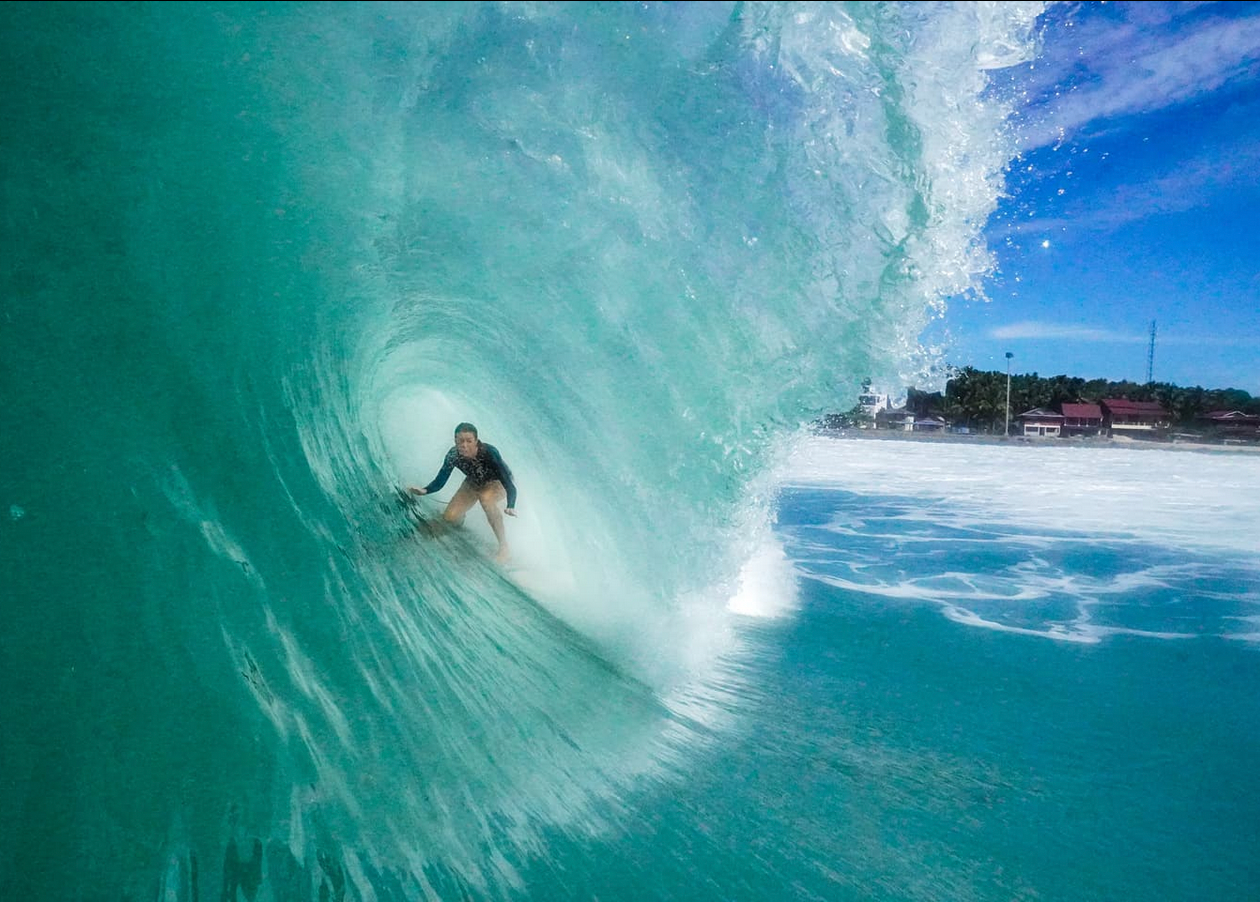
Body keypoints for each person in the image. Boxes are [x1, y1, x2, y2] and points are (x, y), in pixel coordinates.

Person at [409, 422, 517, 562]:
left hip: (497, 483)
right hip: (473, 483)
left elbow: (509, 484)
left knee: (486, 499)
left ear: (476, 441)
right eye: (460, 441)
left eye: (469, 441)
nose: (464, 445)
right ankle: (459, 521)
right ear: (455, 441)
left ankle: (504, 547)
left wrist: (511, 505)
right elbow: (440, 480)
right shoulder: (453, 455)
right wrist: (425, 490)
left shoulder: (490, 453)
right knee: (450, 517)